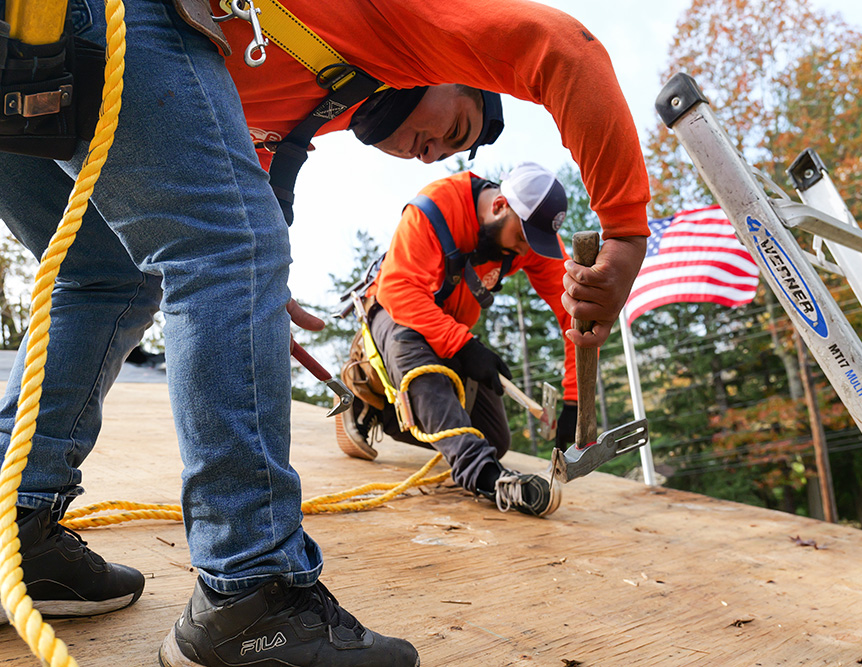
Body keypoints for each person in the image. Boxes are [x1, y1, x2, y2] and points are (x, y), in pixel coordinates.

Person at [0, 1, 648, 666]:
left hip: (32, 41)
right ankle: (253, 593)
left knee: (104, 272)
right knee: (229, 250)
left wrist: (247, 302)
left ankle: (16, 526)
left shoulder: (311, 99)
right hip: (93, 16)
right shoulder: (399, 22)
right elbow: (566, 47)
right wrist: (625, 233)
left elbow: (223, 190)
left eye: (450, 151)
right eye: (452, 126)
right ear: (445, 67)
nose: (434, 153)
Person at [337, 163, 576, 517]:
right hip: (396, 315)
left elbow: (574, 312)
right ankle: (485, 477)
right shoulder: (433, 209)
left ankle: (379, 409)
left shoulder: (530, 235)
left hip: (449, 331)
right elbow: (399, 291)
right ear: (499, 206)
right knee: (422, 365)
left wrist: (573, 399)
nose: (526, 250)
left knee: (494, 438)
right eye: (521, 239)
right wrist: (464, 346)